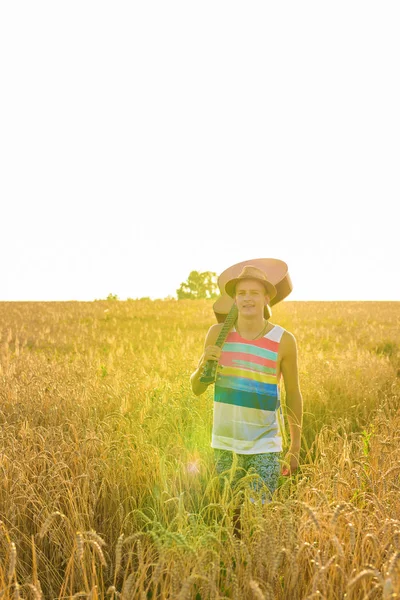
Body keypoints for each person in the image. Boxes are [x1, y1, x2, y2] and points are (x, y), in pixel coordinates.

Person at [190, 265, 303, 500]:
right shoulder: (217, 335)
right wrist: (202, 367)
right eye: (241, 293)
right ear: (234, 299)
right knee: (231, 519)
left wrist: (295, 448)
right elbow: (196, 388)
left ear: (266, 298)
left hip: (265, 446)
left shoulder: (283, 340)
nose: (247, 298)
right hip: (224, 446)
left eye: (253, 292)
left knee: (259, 519)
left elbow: (293, 394)